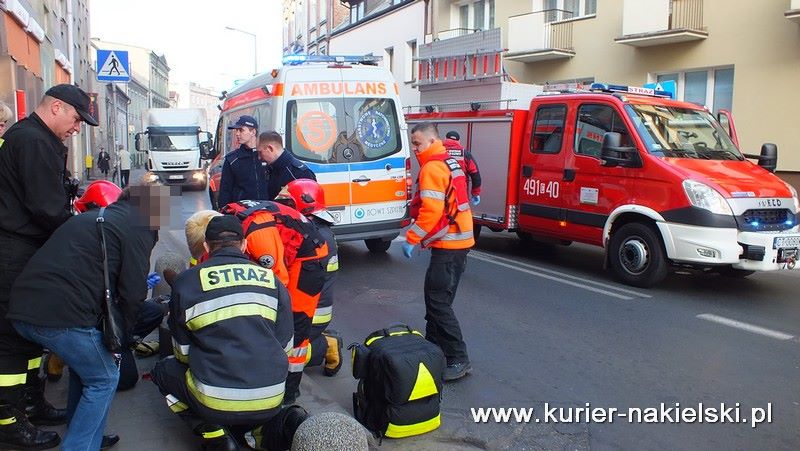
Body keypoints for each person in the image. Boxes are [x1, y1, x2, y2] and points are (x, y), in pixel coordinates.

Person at [7, 183, 160, 450]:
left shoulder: (94, 219)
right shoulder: (137, 226)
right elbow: (133, 292)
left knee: (87, 368)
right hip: (60, 317)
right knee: (104, 377)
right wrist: (121, 342)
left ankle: (89, 436)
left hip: (23, 309)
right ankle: (80, 446)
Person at [151, 215, 307, 451]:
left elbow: (183, 354)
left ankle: (214, 433)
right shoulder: (273, 281)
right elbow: (285, 347)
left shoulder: (186, 282)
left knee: (163, 371)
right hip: (271, 397)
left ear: (206, 246)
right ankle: (259, 431)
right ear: (244, 245)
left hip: (214, 400)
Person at [0, 83, 99, 449]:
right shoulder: (33, 141)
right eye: (76, 118)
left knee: (28, 333)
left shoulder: (35, 138)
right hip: (14, 251)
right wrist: (78, 234)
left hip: (24, 248)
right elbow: (46, 207)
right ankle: (8, 419)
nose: (77, 127)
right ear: (56, 107)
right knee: (10, 337)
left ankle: (29, 402)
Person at [221, 200, 329, 404]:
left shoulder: (257, 233)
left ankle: (289, 392)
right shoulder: (218, 229)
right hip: (284, 250)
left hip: (308, 257)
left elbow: (278, 284)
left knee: (296, 324)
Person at [402, 122, 474, 382]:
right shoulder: (450, 162)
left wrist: (411, 238)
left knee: (438, 303)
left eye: (418, 143)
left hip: (449, 246)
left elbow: (431, 211)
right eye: (413, 143)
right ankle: (432, 349)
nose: (415, 148)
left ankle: (458, 358)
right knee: (439, 302)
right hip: (458, 243)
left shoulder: (433, 167)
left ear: (432, 141)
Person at [275, 180, 342, 377]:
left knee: (283, 353)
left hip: (311, 312)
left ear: (303, 204)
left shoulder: (312, 236)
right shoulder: (315, 229)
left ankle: (326, 345)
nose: (283, 209)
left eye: (287, 204)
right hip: (306, 307)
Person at [218, 115, 269, 207]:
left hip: (269, 209)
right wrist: (224, 212)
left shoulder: (267, 154)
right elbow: (225, 191)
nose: (237, 134)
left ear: (253, 132)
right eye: (236, 130)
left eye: (241, 130)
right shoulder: (232, 159)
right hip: (243, 211)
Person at [256, 131, 316, 200]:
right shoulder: (270, 169)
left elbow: (310, 203)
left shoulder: (299, 173)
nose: (259, 157)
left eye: (260, 152)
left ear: (270, 148)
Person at [443, 131, 482, 205]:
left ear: (445, 139)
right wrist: (475, 193)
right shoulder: (465, 154)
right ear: (459, 141)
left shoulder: (438, 152)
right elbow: (475, 175)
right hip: (460, 193)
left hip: (441, 192)